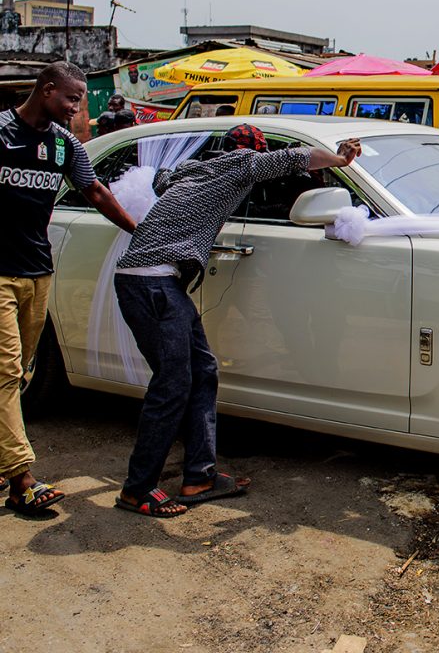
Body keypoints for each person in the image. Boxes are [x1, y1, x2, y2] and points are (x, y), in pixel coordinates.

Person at [112, 124, 361, 518]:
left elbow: (159, 180)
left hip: (155, 285)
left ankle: (200, 475)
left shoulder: (191, 169)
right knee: (172, 384)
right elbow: (294, 158)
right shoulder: (242, 163)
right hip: (153, 284)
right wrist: (340, 159)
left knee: (203, 370)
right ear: (252, 152)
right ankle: (137, 488)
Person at [0, 62, 138, 515]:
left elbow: (95, 192)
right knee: (5, 372)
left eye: (81, 99)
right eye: (71, 98)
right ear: (46, 90)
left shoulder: (64, 145)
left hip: (37, 271)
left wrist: (140, 231)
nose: (78, 107)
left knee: (19, 375)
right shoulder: (1, 130)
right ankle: (22, 479)